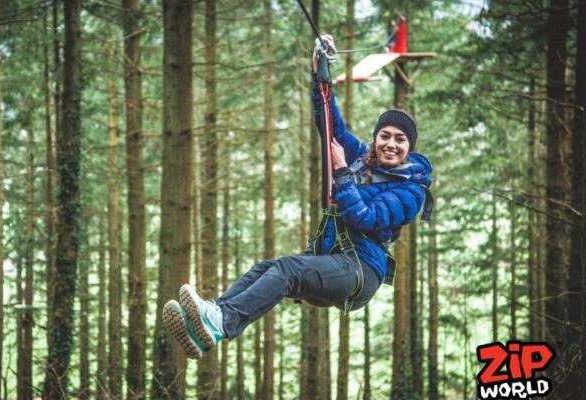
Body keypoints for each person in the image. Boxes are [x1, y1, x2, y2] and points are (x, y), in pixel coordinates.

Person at [162, 35, 433, 360]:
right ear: (375, 139)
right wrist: (320, 71)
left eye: (400, 139)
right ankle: (212, 321)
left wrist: (342, 173)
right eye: (384, 136)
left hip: (359, 270)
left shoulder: (411, 191)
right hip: (333, 259)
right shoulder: (361, 156)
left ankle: (221, 321)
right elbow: (329, 125)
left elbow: (364, 217)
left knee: (288, 269)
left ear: (409, 148)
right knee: (268, 268)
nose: (391, 143)